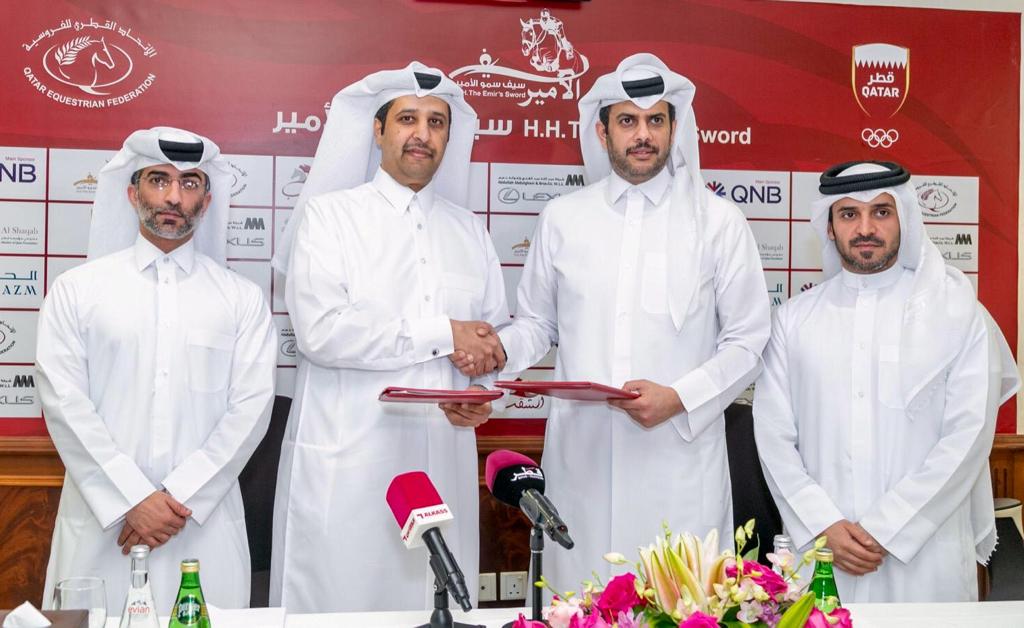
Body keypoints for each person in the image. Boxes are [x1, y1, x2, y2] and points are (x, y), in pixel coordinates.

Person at [495, 53, 770, 589]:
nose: (642, 135)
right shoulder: (563, 218)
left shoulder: (718, 222)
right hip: (584, 460)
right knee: (580, 604)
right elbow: (537, 324)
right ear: (602, 132)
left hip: (679, 460)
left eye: (655, 120)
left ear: (674, 128)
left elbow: (749, 341)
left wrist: (680, 397)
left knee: (679, 610)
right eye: (627, 121)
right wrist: (497, 351)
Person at [269, 62, 508, 613]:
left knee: (436, 604)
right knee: (346, 606)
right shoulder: (329, 218)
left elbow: (487, 336)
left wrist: (480, 393)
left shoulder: (469, 229)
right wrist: (440, 333)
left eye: (436, 122)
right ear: (378, 131)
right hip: (353, 464)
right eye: (407, 119)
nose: (422, 134)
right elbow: (321, 333)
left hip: (444, 460)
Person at [753, 161, 1019, 601]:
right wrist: (822, 524)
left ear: (905, 218)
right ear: (830, 226)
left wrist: (888, 526)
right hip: (822, 550)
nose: (865, 227)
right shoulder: (793, 321)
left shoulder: (957, 311)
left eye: (881, 211)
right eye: (849, 214)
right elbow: (774, 438)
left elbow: (968, 436)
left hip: (925, 553)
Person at [37, 127, 278, 612]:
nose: (173, 196)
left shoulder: (241, 299)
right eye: (158, 180)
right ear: (132, 193)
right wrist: (132, 498)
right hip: (104, 523)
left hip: (200, 525)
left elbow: (250, 410)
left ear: (206, 201)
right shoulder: (77, 291)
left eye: (189, 183)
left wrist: (176, 498)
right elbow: (65, 403)